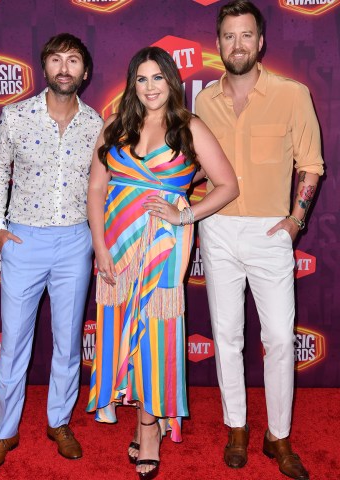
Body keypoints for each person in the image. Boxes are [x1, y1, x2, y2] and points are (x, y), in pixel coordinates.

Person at [86, 46, 239, 479]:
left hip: (164, 252)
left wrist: (184, 213)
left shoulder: (189, 127)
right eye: (141, 79)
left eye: (158, 78)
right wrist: (99, 246)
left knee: (156, 338)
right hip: (116, 248)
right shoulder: (115, 127)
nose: (150, 87)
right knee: (121, 334)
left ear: (171, 81)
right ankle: (137, 415)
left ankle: (149, 427)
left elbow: (227, 185)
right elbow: (96, 190)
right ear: (132, 84)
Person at [195, 2, 324, 479]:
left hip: (273, 231)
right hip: (219, 229)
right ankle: (237, 427)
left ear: (261, 41)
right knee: (227, 336)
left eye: (246, 35)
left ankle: (279, 435)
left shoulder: (293, 94)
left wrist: (294, 222)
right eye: (228, 36)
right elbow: (194, 165)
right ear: (218, 44)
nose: (238, 45)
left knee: (278, 340)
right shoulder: (204, 101)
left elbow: (311, 163)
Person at [0, 33, 103, 474]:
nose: (64, 68)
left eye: (73, 61)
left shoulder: (96, 123)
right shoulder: (15, 116)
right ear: (44, 68)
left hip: (75, 242)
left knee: (68, 343)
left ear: (84, 73)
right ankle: (5, 431)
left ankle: (59, 422)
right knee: (13, 343)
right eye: (56, 60)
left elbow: (103, 186)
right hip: (24, 241)